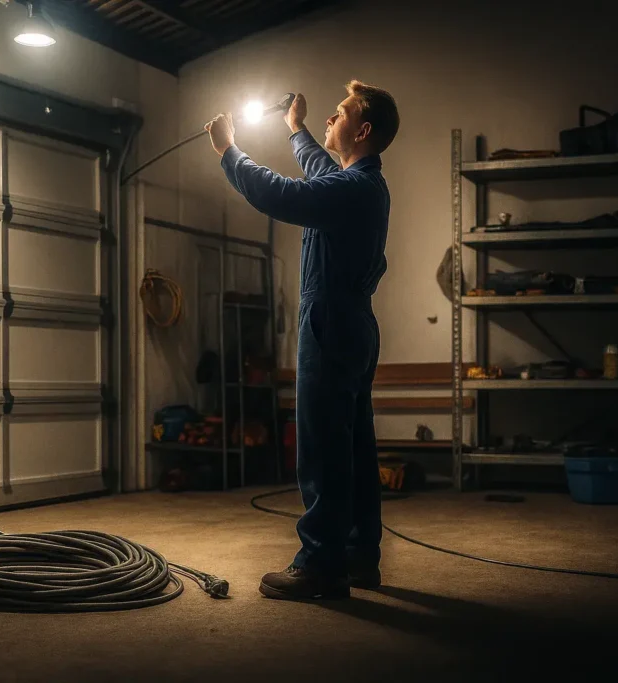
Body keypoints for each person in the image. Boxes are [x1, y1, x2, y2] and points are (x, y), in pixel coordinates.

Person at [205, 81, 399, 600]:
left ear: (361, 129)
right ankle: (358, 557)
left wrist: (229, 151)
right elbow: (316, 170)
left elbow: (281, 193)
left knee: (323, 449)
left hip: (330, 323)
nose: (331, 116)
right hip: (351, 322)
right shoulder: (357, 183)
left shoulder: (351, 190)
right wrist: (297, 128)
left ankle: (320, 567)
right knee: (352, 447)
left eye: (340, 112)